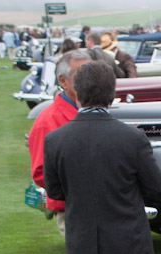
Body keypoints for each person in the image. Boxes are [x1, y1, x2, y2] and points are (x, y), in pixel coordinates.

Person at [43, 60, 161, 254]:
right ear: (112, 92)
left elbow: (54, 191)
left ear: (77, 90)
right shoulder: (132, 138)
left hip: (83, 247)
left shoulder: (56, 140)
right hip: (128, 245)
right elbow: (154, 183)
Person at [29, 49, 92, 239]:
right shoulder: (47, 121)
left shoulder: (96, 108)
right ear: (63, 81)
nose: (87, 80)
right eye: (80, 75)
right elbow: (41, 174)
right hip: (74, 210)